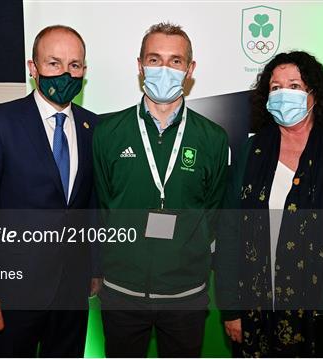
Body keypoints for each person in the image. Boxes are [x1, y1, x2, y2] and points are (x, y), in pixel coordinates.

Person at [215, 51, 323, 357]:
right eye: (276, 88)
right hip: (258, 310)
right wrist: (230, 307)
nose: (284, 95)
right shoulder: (252, 152)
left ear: (314, 94)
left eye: (294, 85)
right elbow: (229, 233)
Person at [0, 25, 99, 357]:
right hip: (12, 295)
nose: (66, 73)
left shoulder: (93, 126)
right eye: (54, 63)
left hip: (71, 295)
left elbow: (91, 206)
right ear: (32, 68)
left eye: (75, 65)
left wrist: (95, 269)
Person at [92, 22, 229, 357]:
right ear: (140, 66)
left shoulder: (212, 138)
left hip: (186, 295)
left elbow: (212, 212)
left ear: (189, 69)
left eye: (176, 61)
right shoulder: (108, 132)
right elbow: (101, 205)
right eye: (155, 60)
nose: (164, 69)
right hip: (121, 291)